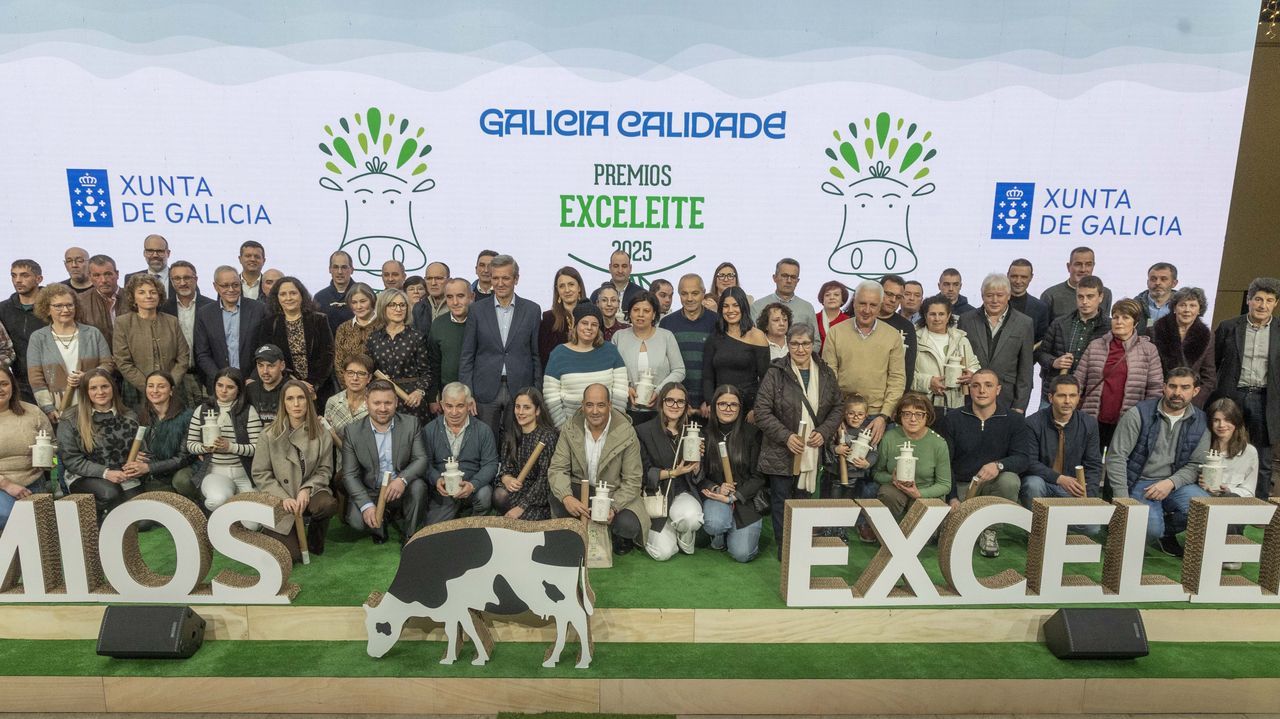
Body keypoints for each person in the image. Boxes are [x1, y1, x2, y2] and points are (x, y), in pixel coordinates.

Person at [754, 324, 842, 556]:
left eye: (805, 344)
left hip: (811, 448)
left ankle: (801, 546)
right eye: (794, 344)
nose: (800, 349)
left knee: (803, 500)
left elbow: (838, 407)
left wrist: (824, 431)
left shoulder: (825, 373)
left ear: (813, 344)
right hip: (780, 449)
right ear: (788, 344)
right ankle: (785, 550)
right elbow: (761, 411)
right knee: (781, 500)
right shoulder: (775, 372)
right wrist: (787, 436)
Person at [1105, 367, 1210, 556]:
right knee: (1151, 529)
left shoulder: (1201, 421)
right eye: (1172, 386)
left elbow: (1196, 465)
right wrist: (1123, 501)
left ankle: (1162, 531)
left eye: (1185, 387)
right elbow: (1116, 457)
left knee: (1206, 509)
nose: (1177, 392)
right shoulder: (1138, 414)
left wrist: (1170, 483)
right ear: (1164, 387)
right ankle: (1134, 528)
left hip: (1174, 483)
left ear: (1195, 391)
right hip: (1139, 481)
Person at [937, 368, 1030, 557]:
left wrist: (998, 465)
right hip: (962, 486)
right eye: (976, 385)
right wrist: (952, 497)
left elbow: (1023, 458)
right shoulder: (953, 419)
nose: (982, 391)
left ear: (998, 389)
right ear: (969, 389)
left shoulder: (1014, 420)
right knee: (942, 535)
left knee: (1010, 480)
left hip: (992, 486)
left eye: (988, 385)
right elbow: (945, 462)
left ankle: (990, 530)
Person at [547, 383, 648, 555]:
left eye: (601, 405)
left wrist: (613, 507)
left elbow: (633, 480)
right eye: (589, 405)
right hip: (581, 490)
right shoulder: (570, 428)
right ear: (582, 405)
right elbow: (557, 468)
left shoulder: (626, 432)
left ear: (610, 405)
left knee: (629, 525)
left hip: (612, 493)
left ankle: (614, 534)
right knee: (558, 498)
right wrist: (567, 497)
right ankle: (578, 528)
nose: (595, 411)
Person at [252, 379, 339, 562]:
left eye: (301, 398)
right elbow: (261, 474)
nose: (296, 404)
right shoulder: (268, 434)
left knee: (327, 504)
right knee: (292, 556)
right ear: (283, 403)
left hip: (310, 494)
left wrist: (307, 489)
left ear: (308, 401)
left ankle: (315, 537)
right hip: (281, 498)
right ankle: (275, 531)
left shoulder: (322, 433)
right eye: (290, 399)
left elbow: (325, 470)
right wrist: (283, 498)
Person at [1211, 276, 1279, 500]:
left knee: (1263, 456)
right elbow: (1214, 363)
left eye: (1269, 300)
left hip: (1264, 399)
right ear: (1248, 300)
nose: (1263, 305)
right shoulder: (1229, 327)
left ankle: (1259, 506)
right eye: (1258, 299)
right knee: (1223, 447)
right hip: (1233, 396)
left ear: (1275, 303)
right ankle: (1215, 498)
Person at [459, 254, 542, 435]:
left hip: (520, 389)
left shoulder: (532, 310)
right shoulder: (476, 310)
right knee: (485, 441)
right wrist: (467, 392)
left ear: (516, 279)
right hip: (484, 390)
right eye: (495, 278)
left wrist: (536, 393)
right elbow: (467, 355)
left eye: (506, 278)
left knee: (517, 442)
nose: (500, 283)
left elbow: (536, 355)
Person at [340, 379, 430, 544]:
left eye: (388, 403)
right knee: (356, 522)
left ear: (396, 402)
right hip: (371, 489)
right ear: (367, 402)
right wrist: (366, 505)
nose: (382, 408)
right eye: (377, 403)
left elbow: (421, 458)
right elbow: (349, 475)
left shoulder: (411, 424)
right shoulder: (352, 432)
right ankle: (385, 516)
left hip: (401, 487)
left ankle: (410, 535)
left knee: (418, 487)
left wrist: (402, 479)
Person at [822, 280, 905, 442]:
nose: (867, 310)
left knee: (874, 458)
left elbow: (897, 379)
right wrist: (835, 414)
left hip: (877, 417)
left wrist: (884, 416)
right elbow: (828, 377)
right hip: (843, 414)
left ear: (880, 306)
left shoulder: (893, 336)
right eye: (862, 303)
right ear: (853, 303)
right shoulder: (836, 332)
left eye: (873, 305)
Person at [1075, 298, 1164, 448]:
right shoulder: (1095, 346)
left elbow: (1155, 389)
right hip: (1092, 418)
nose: (1119, 322)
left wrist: (1146, 419)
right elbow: (1078, 381)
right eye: (1115, 317)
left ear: (1135, 323)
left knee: (1118, 460)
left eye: (1125, 317)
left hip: (1128, 421)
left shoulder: (1148, 350)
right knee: (1089, 460)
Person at [57, 368, 141, 523]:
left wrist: (140, 461)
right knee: (111, 493)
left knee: (142, 522)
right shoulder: (70, 418)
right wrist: (105, 473)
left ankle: (110, 515)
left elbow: (142, 449)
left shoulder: (130, 416)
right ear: (85, 391)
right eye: (93, 388)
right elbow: (72, 460)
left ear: (113, 388)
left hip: (123, 477)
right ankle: (90, 516)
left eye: (104, 386)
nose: (100, 392)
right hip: (84, 476)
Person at [636, 382, 706, 561]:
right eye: (670, 400)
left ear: (686, 405)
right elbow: (642, 473)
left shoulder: (693, 432)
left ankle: (684, 532)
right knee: (663, 553)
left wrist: (697, 463)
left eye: (680, 402)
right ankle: (670, 529)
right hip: (656, 496)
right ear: (661, 402)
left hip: (681, 493)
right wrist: (673, 473)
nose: (675, 405)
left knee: (690, 518)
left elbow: (697, 477)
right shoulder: (643, 431)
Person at [699, 384, 766, 562]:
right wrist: (716, 488)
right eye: (722, 404)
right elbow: (698, 476)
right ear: (714, 406)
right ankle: (719, 534)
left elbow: (759, 477)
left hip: (745, 499)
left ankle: (734, 532)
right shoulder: (704, 435)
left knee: (742, 554)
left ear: (740, 408)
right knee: (715, 524)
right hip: (716, 496)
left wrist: (734, 497)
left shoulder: (753, 434)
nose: (728, 408)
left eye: (733, 404)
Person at [27, 284, 113, 421]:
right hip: (59, 409)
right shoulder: (38, 338)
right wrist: (48, 408)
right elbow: (36, 378)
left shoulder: (93, 333)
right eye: (58, 306)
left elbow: (108, 364)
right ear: (47, 309)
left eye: (69, 305)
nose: (65, 310)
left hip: (94, 403)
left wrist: (88, 377)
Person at [1020, 374, 1103, 509]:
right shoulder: (1032, 423)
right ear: (1050, 398)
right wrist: (1059, 479)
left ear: (1078, 398)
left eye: (1072, 396)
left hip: (1072, 487)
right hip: (1044, 482)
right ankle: (1035, 521)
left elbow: (1093, 465)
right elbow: (1029, 462)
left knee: (1089, 521)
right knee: (1032, 484)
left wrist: (1089, 498)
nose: (1067, 401)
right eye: (1062, 396)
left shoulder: (1089, 424)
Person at [186, 368, 262, 513]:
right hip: (215, 471)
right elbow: (191, 444)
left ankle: (237, 512)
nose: (223, 390)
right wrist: (204, 448)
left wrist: (230, 447)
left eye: (230, 387)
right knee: (217, 500)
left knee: (253, 521)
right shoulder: (202, 410)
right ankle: (226, 513)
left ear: (239, 390)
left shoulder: (248, 411)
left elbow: (257, 448)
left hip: (244, 472)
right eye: (220, 385)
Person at [957, 273, 1035, 413]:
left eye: (1000, 295)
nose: (994, 300)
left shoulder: (1024, 323)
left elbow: (1026, 370)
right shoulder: (966, 320)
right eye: (989, 295)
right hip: (971, 397)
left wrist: (1020, 405)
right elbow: (958, 358)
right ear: (982, 296)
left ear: (1009, 296)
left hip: (1007, 398)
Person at [423, 382, 498, 524]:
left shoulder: (483, 430)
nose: (454, 412)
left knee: (485, 494)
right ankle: (454, 512)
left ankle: (474, 522)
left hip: (473, 488)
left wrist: (473, 484)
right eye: (449, 406)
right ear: (442, 405)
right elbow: (425, 463)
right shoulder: (430, 430)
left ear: (469, 405)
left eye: (460, 406)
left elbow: (491, 464)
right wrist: (437, 479)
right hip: (443, 493)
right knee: (434, 531)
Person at [543, 303, 628, 427]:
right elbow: (551, 397)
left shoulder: (611, 351)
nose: (589, 328)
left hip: (607, 427)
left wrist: (614, 424)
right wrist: (564, 428)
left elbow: (621, 391)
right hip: (570, 427)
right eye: (584, 323)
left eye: (594, 324)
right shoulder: (558, 354)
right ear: (575, 325)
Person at [113, 273, 190, 408]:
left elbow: (183, 356)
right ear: (133, 297)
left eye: (153, 292)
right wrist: (149, 388)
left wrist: (169, 384)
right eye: (141, 292)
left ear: (159, 296)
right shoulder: (123, 323)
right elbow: (123, 361)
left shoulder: (172, 321)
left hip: (173, 388)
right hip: (137, 390)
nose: (148, 296)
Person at [254, 277, 335, 403]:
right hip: (285, 388)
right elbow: (269, 358)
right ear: (277, 298)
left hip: (318, 389)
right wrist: (293, 382)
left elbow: (327, 355)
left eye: (293, 293)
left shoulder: (319, 320)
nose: (288, 298)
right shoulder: (269, 324)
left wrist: (312, 385)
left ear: (302, 295)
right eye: (283, 294)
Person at [873, 392, 951, 521]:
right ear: (900, 415)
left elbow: (945, 484)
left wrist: (919, 494)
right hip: (896, 489)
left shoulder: (938, 443)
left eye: (919, 414)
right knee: (887, 494)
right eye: (907, 414)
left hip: (925, 491)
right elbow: (876, 473)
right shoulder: (889, 437)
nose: (913, 419)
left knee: (922, 513)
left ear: (927, 416)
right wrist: (892, 479)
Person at [613, 292, 685, 426]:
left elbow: (679, 370)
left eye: (646, 311)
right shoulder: (619, 337)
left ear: (653, 314)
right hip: (625, 410)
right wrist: (626, 387)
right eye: (636, 310)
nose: (640, 314)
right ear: (630, 313)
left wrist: (659, 391)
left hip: (660, 410)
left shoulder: (666, 336)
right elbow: (612, 370)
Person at [1036, 275, 1110, 401]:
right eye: (1080, 297)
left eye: (1090, 296)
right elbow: (1041, 353)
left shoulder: (1110, 327)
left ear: (1101, 297)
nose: (1084, 301)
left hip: (1090, 394)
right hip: (1056, 391)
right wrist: (1054, 362)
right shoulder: (1059, 323)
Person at [364, 288, 430, 422]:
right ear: (383, 307)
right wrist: (376, 382)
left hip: (411, 400)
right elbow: (368, 371)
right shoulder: (374, 338)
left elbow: (426, 372)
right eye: (392, 305)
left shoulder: (416, 337)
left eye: (402, 305)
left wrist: (419, 392)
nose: (398, 309)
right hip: (383, 401)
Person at [194, 265, 265, 390]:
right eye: (225, 286)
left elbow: (264, 348)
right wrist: (221, 379)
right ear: (215, 286)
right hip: (219, 385)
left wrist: (254, 377)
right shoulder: (204, 314)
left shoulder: (258, 309)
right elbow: (202, 353)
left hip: (252, 382)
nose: (231, 289)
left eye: (235, 285)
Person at [0, 365, 54, 530]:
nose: (0, 389)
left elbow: (54, 444)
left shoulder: (32, 412)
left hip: (34, 481)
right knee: (11, 517)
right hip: (2, 485)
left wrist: (49, 460)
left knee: (42, 525)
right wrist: (7, 485)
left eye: (4, 384)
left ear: (13, 385)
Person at [493, 386, 557, 520]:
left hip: (538, 494)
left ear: (537, 410)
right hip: (518, 488)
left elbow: (544, 479)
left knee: (520, 518)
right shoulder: (511, 434)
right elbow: (505, 468)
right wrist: (507, 478)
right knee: (499, 496)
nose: (520, 412)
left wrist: (521, 507)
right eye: (518, 407)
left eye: (527, 408)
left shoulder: (547, 437)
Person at [703, 287, 770, 414]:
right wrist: (710, 403)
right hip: (720, 407)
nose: (730, 310)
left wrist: (756, 408)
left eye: (735, 305)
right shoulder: (714, 338)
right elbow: (708, 377)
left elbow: (765, 378)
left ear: (743, 307)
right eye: (725, 306)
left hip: (749, 409)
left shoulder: (757, 336)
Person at [133, 370, 197, 498]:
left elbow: (184, 458)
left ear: (171, 390)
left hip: (179, 470)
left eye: (161, 386)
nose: (155, 390)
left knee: (180, 483)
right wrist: (136, 455)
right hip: (150, 472)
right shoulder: (139, 414)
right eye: (150, 386)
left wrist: (149, 467)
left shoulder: (187, 416)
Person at [826, 394, 881, 543]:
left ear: (866, 416)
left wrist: (867, 463)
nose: (855, 417)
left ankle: (841, 530)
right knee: (832, 501)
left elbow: (874, 452)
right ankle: (829, 528)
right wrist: (836, 449)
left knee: (847, 503)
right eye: (851, 413)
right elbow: (828, 445)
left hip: (855, 476)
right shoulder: (838, 429)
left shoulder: (868, 433)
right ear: (845, 413)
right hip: (836, 474)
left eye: (860, 414)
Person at [660, 273, 718, 415]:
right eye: (684, 294)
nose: (689, 298)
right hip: (675, 403)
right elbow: (664, 366)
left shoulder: (717, 322)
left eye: (695, 293)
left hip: (709, 405)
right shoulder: (667, 323)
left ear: (704, 293)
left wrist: (710, 399)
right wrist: (678, 402)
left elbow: (720, 364)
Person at [912, 295, 979, 414]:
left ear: (948, 316)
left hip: (955, 406)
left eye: (941, 314)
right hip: (922, 407)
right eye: (932, 314)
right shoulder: (914, 340)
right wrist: (928, 382)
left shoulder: (961, 340)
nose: (937, 318)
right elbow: (903, 375)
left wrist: (971, 375)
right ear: (925, 316)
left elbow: (974, 367)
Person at [159, 260, 212, 408]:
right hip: (177, 377)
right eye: (177, 278)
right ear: (171, 281)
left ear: (196, 279)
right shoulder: (163, 309)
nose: (182, 283)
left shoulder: (211, 306)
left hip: (206, 376)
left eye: (187, 278)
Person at [1152, 286, 1216, 407]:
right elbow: (1149, 371)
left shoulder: (1208, 336)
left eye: (1193, 306)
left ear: (1199, 310)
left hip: (1190, 401)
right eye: (1182, 305)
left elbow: (1209, 377)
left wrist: (1192, 401)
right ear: (1174, 308)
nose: (1187, 310)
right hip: (1158, 397)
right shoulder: (1156, 331)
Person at [0, 259, 46, 403]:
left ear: (39, 279)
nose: (18, 280)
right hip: (19, 383)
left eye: (24, 275)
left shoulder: (52, 306)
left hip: (50, 378)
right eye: (14, 275)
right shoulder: (3, 309)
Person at [427, 278, 472, 415]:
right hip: (448, 396)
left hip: (479, 396)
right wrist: (432, 397)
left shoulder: (481, 321)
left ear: (471, 297)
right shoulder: (438, 324)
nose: (455, 302)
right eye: (450, 297)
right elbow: (434, 363)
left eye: (460, 296)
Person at [1040, 246, 1113, 322]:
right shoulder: (1050, 295)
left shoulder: (1105, 293)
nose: (1083, 269)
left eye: (1088, 264)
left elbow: (1105, 324)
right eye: (1078, 264)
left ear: (1093, 266)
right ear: (1068, 267)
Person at [1203, 397, 1257, 499]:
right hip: (1199, 500)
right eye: (1216, 420)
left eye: (1227, 420)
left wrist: (1228, 491)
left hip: (1231, 503)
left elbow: (1249, 491)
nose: (1221, 425)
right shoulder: (1202, 447)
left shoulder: (1249, 452)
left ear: (1236, 421)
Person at [538, 266, 586, 367]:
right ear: (557, 290)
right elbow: (544, 357)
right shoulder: (548, 319)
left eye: (571, 284)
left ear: (579, 288)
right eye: (562, 286)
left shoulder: (591, 316)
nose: (567, 290)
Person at [878, 274, 919, 389]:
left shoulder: (907, 327)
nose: (893, 300)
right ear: (878, 292)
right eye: (889, 294)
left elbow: (908, 369)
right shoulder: (863, 320)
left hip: (893, 392)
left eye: (898, 297)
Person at [750, 258, 816, 330]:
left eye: (793, 277)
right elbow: (752, 335)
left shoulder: (807, 308)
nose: (789, 281)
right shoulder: (758, 306)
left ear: (797, 281)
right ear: (775, 278)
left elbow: (815, 337)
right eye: (784, 276)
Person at [75, 254, 126, 346]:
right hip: (98, 354)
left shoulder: (133, 297)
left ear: (117, 274)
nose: (103, 280)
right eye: (97, 275)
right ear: (89, 277)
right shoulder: (80, 301)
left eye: (108, 274)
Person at [331, 282, 378, 377]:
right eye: (354, 302)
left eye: (363, 301)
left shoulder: (384, 326)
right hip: (349, 384)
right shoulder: (343, 328)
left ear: (372, 300)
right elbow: (339, 363)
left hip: (379, 385)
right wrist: (351, 383)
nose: (358, 306)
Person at [324, 354, 373, 433]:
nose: (355, 378)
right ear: (344, 375)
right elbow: (327, 436)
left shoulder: (377, 404)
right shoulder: (333, 402)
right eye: (350, 373)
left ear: (369, 378)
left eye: (361, 373)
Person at [1007, 258, 1050, 344]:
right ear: (1008, 275)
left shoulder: (1041, 308)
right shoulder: (995, 303)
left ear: (1031, 277)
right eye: (1014, 276)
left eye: (1023, 277)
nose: (1018, 281)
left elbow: (1042, 339)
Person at [589, 250, 642, 317]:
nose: (620, 271)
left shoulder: (640, 294)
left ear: (630, 268)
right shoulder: (596, 295)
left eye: (624, 266)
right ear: (610, 267)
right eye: (616, 266)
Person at [245, 344, 287, 426]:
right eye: (260, 365)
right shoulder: (250, 390)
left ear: (282, 366)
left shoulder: (292, 389)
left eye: (270, 366)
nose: (265, 371)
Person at [315, 250, 356, 332]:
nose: (339, 272)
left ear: (352, 270)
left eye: (344, 267)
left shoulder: (363, 295)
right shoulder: (319, 298)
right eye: (335, 267)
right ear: (330, 269)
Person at [124, 234, 174, 299]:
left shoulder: (180, 278)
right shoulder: (131, 279)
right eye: (150, 251)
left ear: (168, 253)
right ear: (144, 253)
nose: (155, 255)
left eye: (160, 251)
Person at [1136, 262, 1179, 329]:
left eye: (1163, 279)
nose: (1157, 283)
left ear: (1174, 283)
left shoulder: (1184, 306)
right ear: (1147, 282)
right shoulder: (1135, 306)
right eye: (1153, 279)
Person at [412, 261, 451, 330]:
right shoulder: (418, 308)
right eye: (429, 278)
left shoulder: (459, 306)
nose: (433, 283)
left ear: (449, 280)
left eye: (439, 278)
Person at [814, 280, 849, 353]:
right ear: (822, 299)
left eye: (836, 295)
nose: (832, 297)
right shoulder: (813, 319)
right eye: (827, 295)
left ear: (842, 300)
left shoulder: (849, 322)